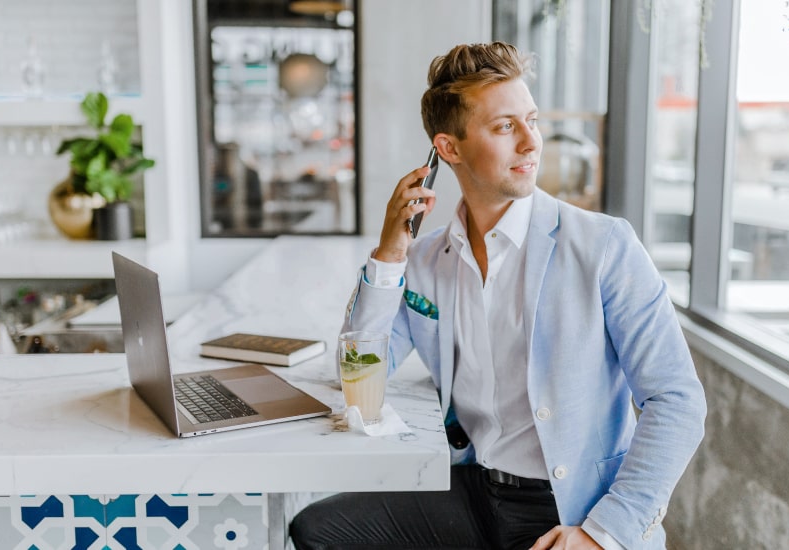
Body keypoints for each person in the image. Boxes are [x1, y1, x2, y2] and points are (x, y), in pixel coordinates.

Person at [290, 41, 706, 550]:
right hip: (476, 489)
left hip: (570, 507)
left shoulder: (603, 246)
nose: (533, 143)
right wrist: (389, 253)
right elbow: (358, 372)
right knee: (318, 530)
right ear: (449, 149)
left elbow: (677, 401)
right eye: (506, 126)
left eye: (531, 120)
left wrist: (603, 533)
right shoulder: (424, 263)